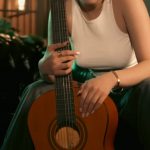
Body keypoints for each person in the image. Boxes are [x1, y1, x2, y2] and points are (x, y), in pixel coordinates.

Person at [1, 0, 150, 150]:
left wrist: (112, 78)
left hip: (128, 91)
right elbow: (55, 71)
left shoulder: (128, 3)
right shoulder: (61, 7)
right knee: (35, 90)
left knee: (148, 86)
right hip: (86, 91)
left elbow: (148, 63)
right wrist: (44, 68)